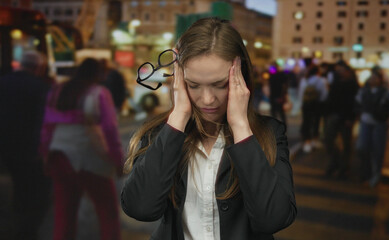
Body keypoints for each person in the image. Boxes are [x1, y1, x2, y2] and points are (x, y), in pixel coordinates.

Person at [121, 17, 297, 239]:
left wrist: (241, 127)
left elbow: (273, 219)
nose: (207, 99)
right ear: (180, 80)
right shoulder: (161, 133)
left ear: (241, 76)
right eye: (193, 85)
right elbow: (140, 209)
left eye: (220, 84)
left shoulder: (269, 133)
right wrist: (178, 117)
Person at [40, 58, 124, 240]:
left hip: (59, 155)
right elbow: (110, 130)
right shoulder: (99, 94)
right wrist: (118, 160)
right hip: (90, 156)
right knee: (107, 211)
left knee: (64, 214)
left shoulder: (58, 91)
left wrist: (45, 154)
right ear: (97, 73)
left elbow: (47, 126)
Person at [0, 51, 51, 240]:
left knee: (17, 183)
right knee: (34, 189)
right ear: (38, 68)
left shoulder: (3, 81)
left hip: (4, 145)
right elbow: (43, 121)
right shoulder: (41, 87)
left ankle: (15, 217)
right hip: (29, 147)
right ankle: (26, 230)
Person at [355, 69, 389, 188]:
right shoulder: (363, 91)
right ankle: (366, 173)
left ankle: (376, 174)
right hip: (365, 122)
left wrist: (385, 116)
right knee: (363, 147)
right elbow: (357, 104)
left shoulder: (385, 92)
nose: (372, 80)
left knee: (377, 150)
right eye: (371, 77)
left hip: (379, 123)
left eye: (375, 77)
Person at [324, 61, 359, 179]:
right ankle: (335, 162)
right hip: (334, 115)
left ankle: (344, 167)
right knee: (328, 139)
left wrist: (350, 117)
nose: (338, 72)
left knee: (346, 143)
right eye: (337, 70)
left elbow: (354, 103)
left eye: (340, 70)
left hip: (346, 117)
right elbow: (331, 98)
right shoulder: (336, 82)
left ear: (347, 71)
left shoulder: (353, 84)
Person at [298, 65, 328, 153]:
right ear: (317, 72)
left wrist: (301, 104)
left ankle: (307, 142)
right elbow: (324, 94)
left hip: (306, 104)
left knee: (306, 122)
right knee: (316, 122)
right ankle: (315, 140)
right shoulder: (320, 80)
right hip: (316, 104)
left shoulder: (304, 80)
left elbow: (301, 93)